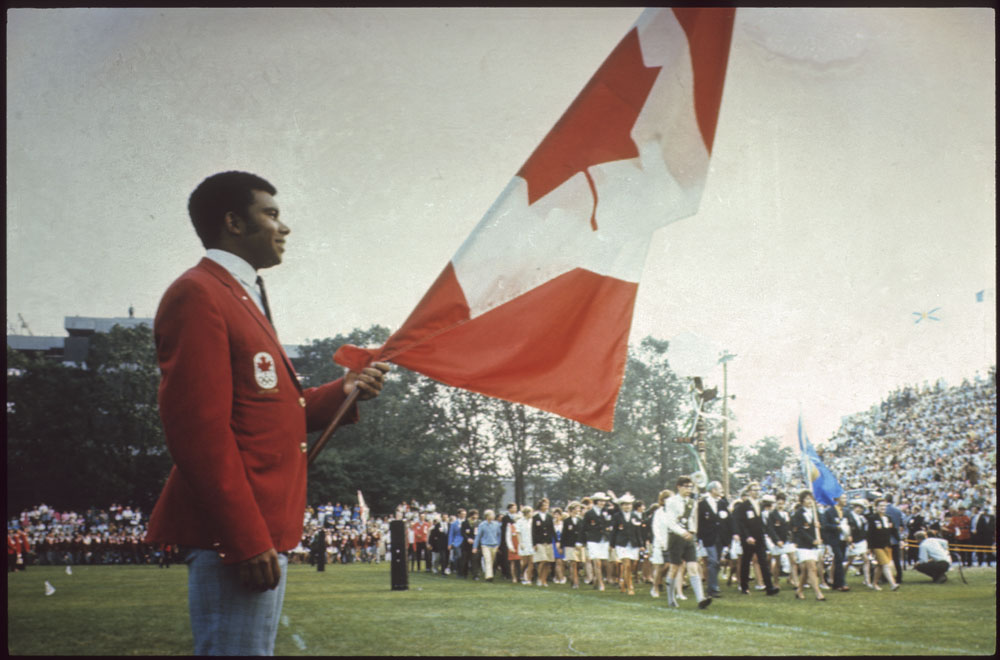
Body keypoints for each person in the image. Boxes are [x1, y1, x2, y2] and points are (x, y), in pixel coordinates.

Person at [144, 171, 389, 656]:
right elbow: (199, 431)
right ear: (234, 222)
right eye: (271, 214)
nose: (284, 228)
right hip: (236, 533)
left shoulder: (239, 291)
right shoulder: (199, 292)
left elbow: (267, 411)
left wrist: (342, 392)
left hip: (256, 526)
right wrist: (244, 537)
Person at [663, 477, 712, 609]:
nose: (688, 489)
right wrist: (681, 532)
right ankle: (671, 598)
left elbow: (694, 520)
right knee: (674, 568)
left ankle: (700, 599)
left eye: (690, 487)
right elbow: (670, 522)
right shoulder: (671, 502)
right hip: (676, 537)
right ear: (678, 487)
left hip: (689, 537)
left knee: (693, 567)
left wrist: (693, 532)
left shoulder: (692, 502)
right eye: (686, 486)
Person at [734, 482, 780, 596]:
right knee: (746, 562)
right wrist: (747, 536)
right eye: (754, 490)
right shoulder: (744, 506)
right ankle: (744, 586)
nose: (756, 492)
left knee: (763, 562)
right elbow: (741, 523)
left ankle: (769, 587)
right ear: (749, 491)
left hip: (759, 537)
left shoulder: (760, 505)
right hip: (749, 538)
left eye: (758, 490)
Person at [790, 490, 826, 601]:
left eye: (811, 498)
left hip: (814, 546)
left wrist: (819, 526)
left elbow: (823, 527)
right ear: (802, 501)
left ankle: (799, 590)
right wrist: (812, 540)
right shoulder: (798, 514)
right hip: (803, 545)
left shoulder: (816, 513)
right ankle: (818, 593)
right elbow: (799, 531)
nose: (809, 501)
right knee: (812, 567)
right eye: (806, 499)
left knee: (806, 571)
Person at [696, 481, 729, 599]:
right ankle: (712, 588)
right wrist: (698, 537)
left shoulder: (722, 503)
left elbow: (726, 519)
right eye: (719, 488)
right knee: (713, 561)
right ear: (712, 490)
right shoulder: (702, 504)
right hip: (708, 537)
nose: (721, 490)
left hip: (720, 537)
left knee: (717, 563)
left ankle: (713, 587)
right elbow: (699, 522)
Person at [611, 493, 643, 596]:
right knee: (627, 565)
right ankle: (630, 587)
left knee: (633, 565)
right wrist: (612, 544)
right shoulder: (617, 516)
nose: (627, 506)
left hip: (633, 544)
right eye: (625, 504)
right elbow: (614, 531)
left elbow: (638, 531)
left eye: (629, 504)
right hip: (622, 543)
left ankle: (623, 583)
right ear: (621, 505)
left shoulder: (635, 516)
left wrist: (641, 544)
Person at [766, 492, 798, 589]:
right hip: (778, 541)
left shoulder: (787, 513)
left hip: (788, 540)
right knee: (777, 562)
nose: (781, 506)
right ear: (776, 503)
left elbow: (792, 527)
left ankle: (795, 581)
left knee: (793, 560)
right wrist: (776, 540)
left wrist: (794, 538)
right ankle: (776, 581)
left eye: (782, 504)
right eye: (779, 503)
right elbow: (770, 529)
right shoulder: (772, 515)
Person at [820, 493, 851, 592]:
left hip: (843, 538)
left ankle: (835, 583)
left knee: (839, 560)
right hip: (834, 538)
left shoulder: (846, 511)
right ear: (837, 499)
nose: (845, 499)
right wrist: (836, 527)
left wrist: (850, 535)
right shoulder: (829, 511)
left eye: (846, 498)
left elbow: (849, 524)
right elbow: (824, 525)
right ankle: (842, 583)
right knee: (839, 557)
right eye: (843, 498)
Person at [868, 498, 900, 591]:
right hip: (876, 545)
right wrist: (869, 547)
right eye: (881, 506)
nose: (883, 508)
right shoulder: (872, 518)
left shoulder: (888, 517)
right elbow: (869, 533)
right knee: (886, 564)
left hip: (886, 544)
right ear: (876, 507)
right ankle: (893, 584)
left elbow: (893, 530)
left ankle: (874, 583)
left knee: (881, 565)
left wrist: (899, 540)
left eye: (884, 506)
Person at [583, 493, 612, 591]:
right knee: (597, 562)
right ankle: (600, 583)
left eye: (603, 501)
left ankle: (596, 579)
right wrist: (580, 542)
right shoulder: (589, 514)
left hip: (604, 539)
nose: (602, 503)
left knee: (604, 562)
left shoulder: (607, 512)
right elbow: (584, 528)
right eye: (600, 501)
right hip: (593, 540)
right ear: (596, 501)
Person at [845, 499, 872, 588]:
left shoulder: (862, 517)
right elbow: (847, 529)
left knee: (866, 560)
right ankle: (841, 577)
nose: (859, 509)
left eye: (861, 508)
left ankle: (867, 580)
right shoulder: (849, 516)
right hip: (853, 541)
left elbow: (865, 529)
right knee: (850, 561)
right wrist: (850, 542)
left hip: (861, 540)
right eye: (857, 507)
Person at [532, 498, 556, 587]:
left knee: (547, 562)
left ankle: (544, 580)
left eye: (547, 505)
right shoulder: (535, 517)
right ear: (540, 506)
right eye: (544, 505)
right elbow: (533, 531)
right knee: (542, 560)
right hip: (539, 542)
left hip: (548, 541)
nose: (546, 507)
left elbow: (552, 530)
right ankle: (539, 578)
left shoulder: (549, 517)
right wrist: (534, 543)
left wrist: (556, 541)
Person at [561, 501, 585, 589]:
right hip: (569, 545)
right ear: (571, 510)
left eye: (578, 508)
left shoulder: (581, 520)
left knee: (578, 563)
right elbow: (564, 534)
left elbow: (583, 533)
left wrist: (582, 543)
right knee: (573, 563)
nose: (578, 510)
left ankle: (572, 579)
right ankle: (575, 582)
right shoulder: (566, 521)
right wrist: (562, 546)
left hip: (579, 545)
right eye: (576, 508)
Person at [472, 510, 501, 582]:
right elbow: (478, 537)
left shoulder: (496, 524)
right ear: (487, 516)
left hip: (494, 545)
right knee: (488, 560)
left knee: (492, 561)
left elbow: (499, 535)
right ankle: (489, 577)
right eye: (492, 515)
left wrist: (498, 544)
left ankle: (490, 574)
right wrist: (474, 547)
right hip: (485, 545)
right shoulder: (482, 525)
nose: (493, 516)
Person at [515, 506, 534, 585]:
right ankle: (521, 574)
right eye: (530, 512)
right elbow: (518, 533)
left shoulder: (532, 521)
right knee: (525, 562)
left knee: (531, 562)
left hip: (532, 543)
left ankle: (528, 579)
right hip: (524, 543)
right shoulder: (519, 522)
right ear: (526, 513)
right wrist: (521, 543)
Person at [461, 510, 479, 579]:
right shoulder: (465, 523)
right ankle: (464, 574)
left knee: (475, 560)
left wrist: (476, 540)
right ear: (471, 515)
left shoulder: (478, 523)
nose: (476, 516)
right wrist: (467, 539)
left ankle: (475, 575)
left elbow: (479, 534)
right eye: (475, 515)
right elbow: (463, 532)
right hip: (466, 544)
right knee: (465, 560)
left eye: (477, 515)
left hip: (475, 544)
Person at [448, 510, 466, 576]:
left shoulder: (466, 522)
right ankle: (455, 566)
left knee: (464, 557)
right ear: (458, 514)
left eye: (465, 514)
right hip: (457, 542)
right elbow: (451, 534)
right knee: (458, 556)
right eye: (462, 514)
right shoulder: (454, 523)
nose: (464, 515)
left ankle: (462, 571)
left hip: (465, 541)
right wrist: (449, 543)